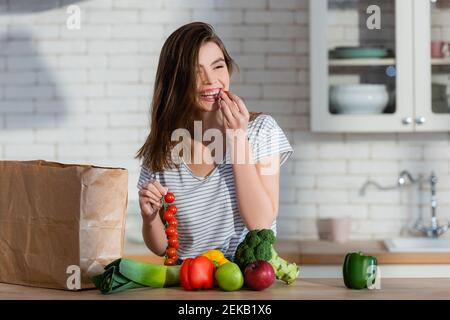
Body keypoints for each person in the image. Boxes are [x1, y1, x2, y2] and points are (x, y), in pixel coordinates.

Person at [136, 22, 293, 264]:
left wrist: (238, 138)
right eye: (196, 71)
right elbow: (162, 248)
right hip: (189, 282)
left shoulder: (263, 131)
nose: (211, 80)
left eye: (218, 66)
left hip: (247, 281)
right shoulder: (164, 150)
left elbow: (260, 223)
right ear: (176, 81)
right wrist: (149, 219)